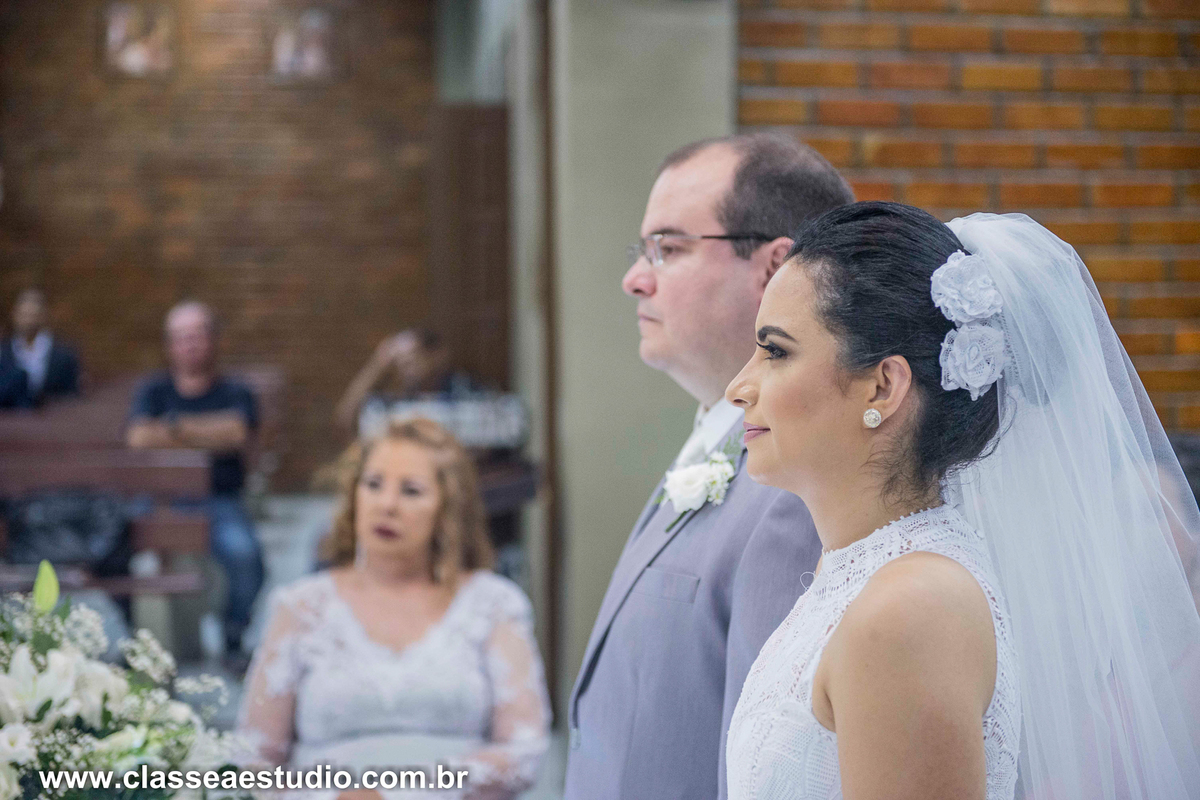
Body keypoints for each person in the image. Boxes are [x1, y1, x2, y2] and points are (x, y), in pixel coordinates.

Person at [724, 202, 1200, 799]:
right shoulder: (857, 572)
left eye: (776, 351)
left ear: (884, 385)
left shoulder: (910, 607)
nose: (738, 388)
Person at [563, 133, 854, 800]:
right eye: (642, 251)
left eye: (668, 248)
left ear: (775, 268)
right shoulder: (720, 436)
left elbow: (769, 763)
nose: (635, 278)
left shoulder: (796, 490)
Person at [238, 418, 550, 800]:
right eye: (373, 485)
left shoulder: (493, 604)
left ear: (448, 508)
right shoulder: (300, 606)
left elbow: (523, 752)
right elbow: (253, 760)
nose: (387, 505)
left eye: (411, 491)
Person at [126, 300, 264, 662]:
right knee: (115, 554)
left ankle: (233, 635)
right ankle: (139, 643)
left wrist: (173, 427)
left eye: (197, 336)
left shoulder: (237, 390)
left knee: (246, 556)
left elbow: (235, 433)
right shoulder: (152, 390)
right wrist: (207, 432)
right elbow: (138, 438)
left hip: (220, 501)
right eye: (181, 337)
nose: (190, 344)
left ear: (214, 341)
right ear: (170, 346)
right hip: (161, 502)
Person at [335, 329, 480, 432]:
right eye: (398, 360)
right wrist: (377, 366)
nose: (404, 366)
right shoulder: (399, 399)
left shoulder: (466, 390)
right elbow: (346, 418)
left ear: (437, 355)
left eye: (412, 357)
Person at [0, 288, 81, 407]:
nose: (28, 321)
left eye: (33, 315)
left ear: (43, 316)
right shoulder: (3, 351)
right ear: (14, 315)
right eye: (24, 315)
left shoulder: (64, 354)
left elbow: (72, 396)